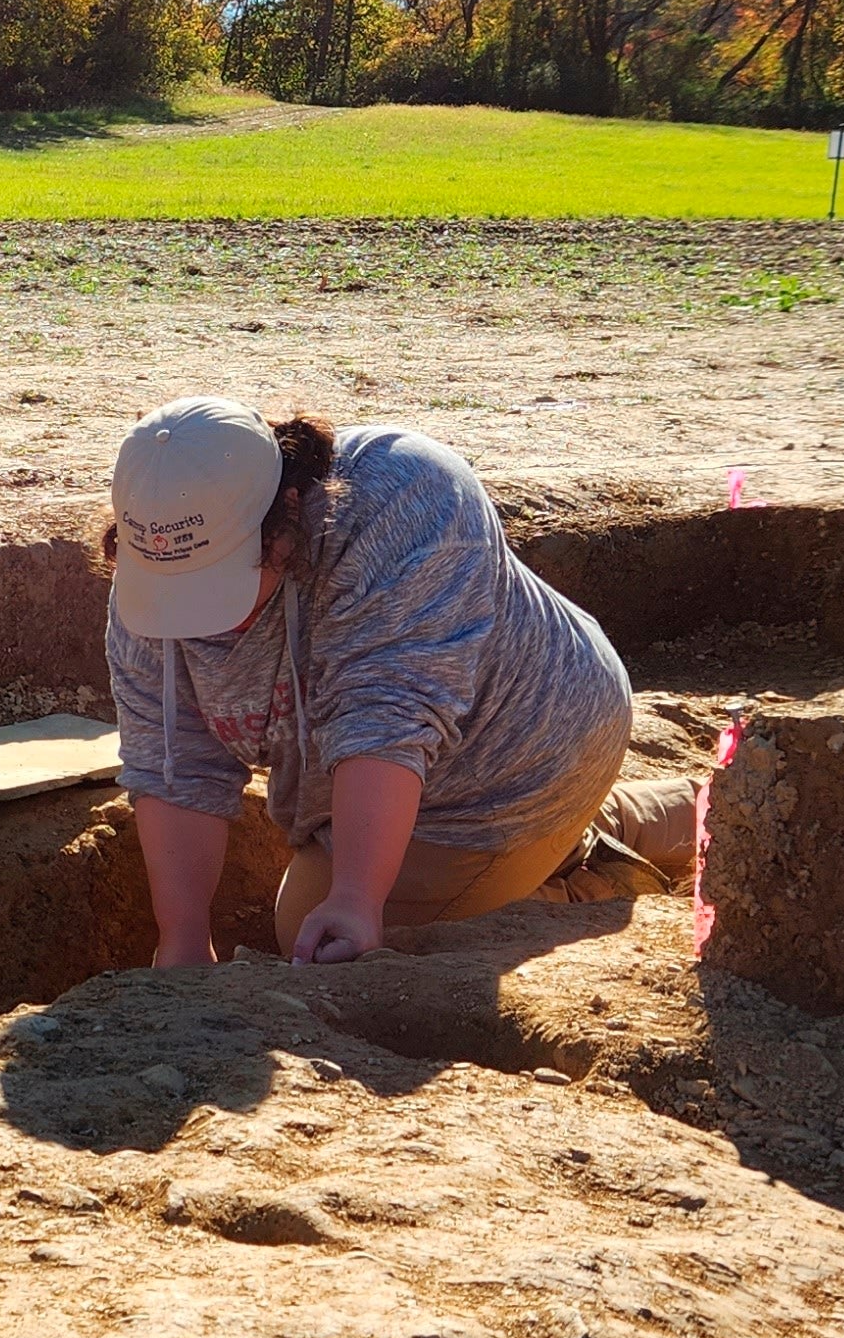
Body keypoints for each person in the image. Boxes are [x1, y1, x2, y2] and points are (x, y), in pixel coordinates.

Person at [102, 397, 695, 967]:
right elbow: (175, 760)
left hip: (525, 755)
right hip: (407, 771)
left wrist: (356, 900)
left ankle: (593, 886)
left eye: (217, 583)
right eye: (180, 589)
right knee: (322, 913)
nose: (199, 621)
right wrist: (181, 939)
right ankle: (654, 819)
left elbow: (383, 716)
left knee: (316, 934)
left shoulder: (406, 500)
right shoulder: (155, 579)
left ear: (286, 517)